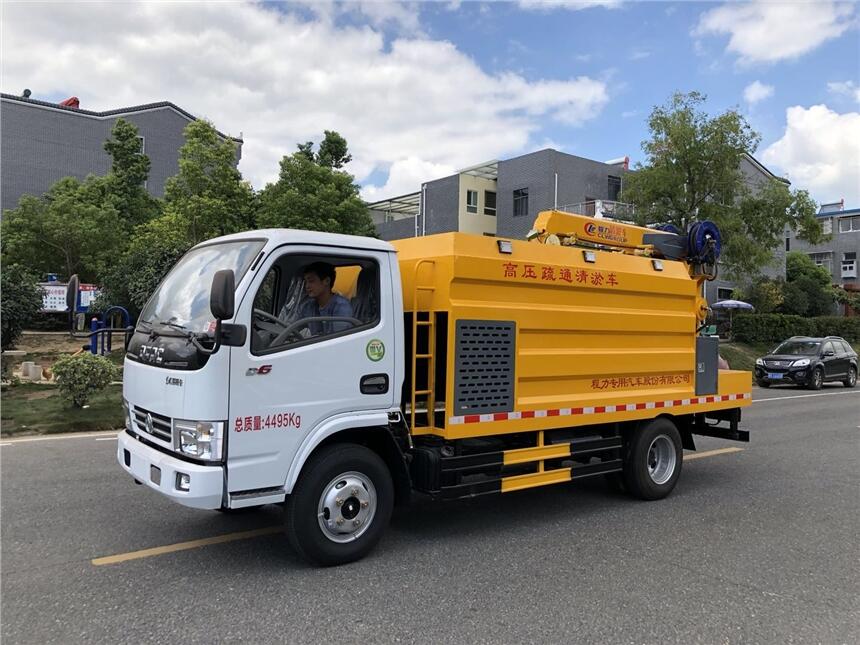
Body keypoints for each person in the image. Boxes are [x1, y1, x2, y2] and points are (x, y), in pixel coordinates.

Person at [295, 262, 354, 336]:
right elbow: (292, 328)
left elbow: (339, 341)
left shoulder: (341, 307)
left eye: (311, 281)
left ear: (327, 281)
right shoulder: (309, 306)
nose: (307, 286)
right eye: (306, 282)